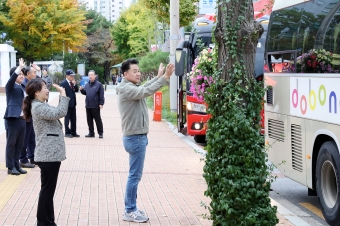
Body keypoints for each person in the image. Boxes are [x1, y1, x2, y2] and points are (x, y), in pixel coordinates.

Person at [116, 59, 174, 223]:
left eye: (139, 70)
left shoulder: (130, 87)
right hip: (135, 138)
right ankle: (130, 210)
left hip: (137, 137)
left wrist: (158, 77)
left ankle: (131, 207)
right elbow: (145, 92)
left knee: (134, 175)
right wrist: (164, 79)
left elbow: (143, 88)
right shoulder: (127, 89)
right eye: (134, 71)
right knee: (134, 176)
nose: (138, 73)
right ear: (125, 74)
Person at [22, 78, 69, 226]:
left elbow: (56, 112)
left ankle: (47, 221)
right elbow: (60, 112)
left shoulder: (40, 105)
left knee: (48, 191)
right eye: (44, 87)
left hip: (49, 155)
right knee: (47, 191)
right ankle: (44, 222)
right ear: (36, 92)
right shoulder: (38, 107)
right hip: (48, 156)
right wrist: (63, 93)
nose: (47, 90)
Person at [4, 58, 28, 175]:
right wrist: (19, 68)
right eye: (20, 74)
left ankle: (17, 165)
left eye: (23, 74)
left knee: (20, 144)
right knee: (11, 144)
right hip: (13, 118)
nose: (22, 76)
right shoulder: (10, 86)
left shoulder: (22, 87)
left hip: (22, 119)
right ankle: (10, 167)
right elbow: (12, 78)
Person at [19, 63, 41, 168]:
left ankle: (32, 157)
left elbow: (41, 84)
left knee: (32, 137)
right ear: (28, 74)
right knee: (25, 137)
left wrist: (39, 71)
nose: (36, 74)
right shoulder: (24, 84)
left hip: (31, 113)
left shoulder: (31, 83)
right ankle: (23, 159)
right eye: (34, 72)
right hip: (26, 114)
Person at [80, 70, 105, 138]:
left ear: (95, 76)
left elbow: (101, 95)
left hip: (95, 105)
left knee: (97, 119)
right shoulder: (87, 85)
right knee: (89, 120)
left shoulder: (99, 85)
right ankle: (91, 133)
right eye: (89, 75)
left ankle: (100, 133)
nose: (90, 76)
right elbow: (86, 93)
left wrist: (101, 103)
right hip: (88, 105)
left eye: (91, 75)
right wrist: (82, 90)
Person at [60, 69, 80, 138]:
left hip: (73, 103)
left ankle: (73, 131)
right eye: (71, 76)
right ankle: (67, 132)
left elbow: (77, 90)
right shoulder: (63, 83)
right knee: (67, 119)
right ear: (67, 76)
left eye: (73, 76)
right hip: (67, 104)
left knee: (74, 118)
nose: (73, 77)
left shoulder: (72, 83)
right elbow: (62, 94)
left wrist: (75, 84)